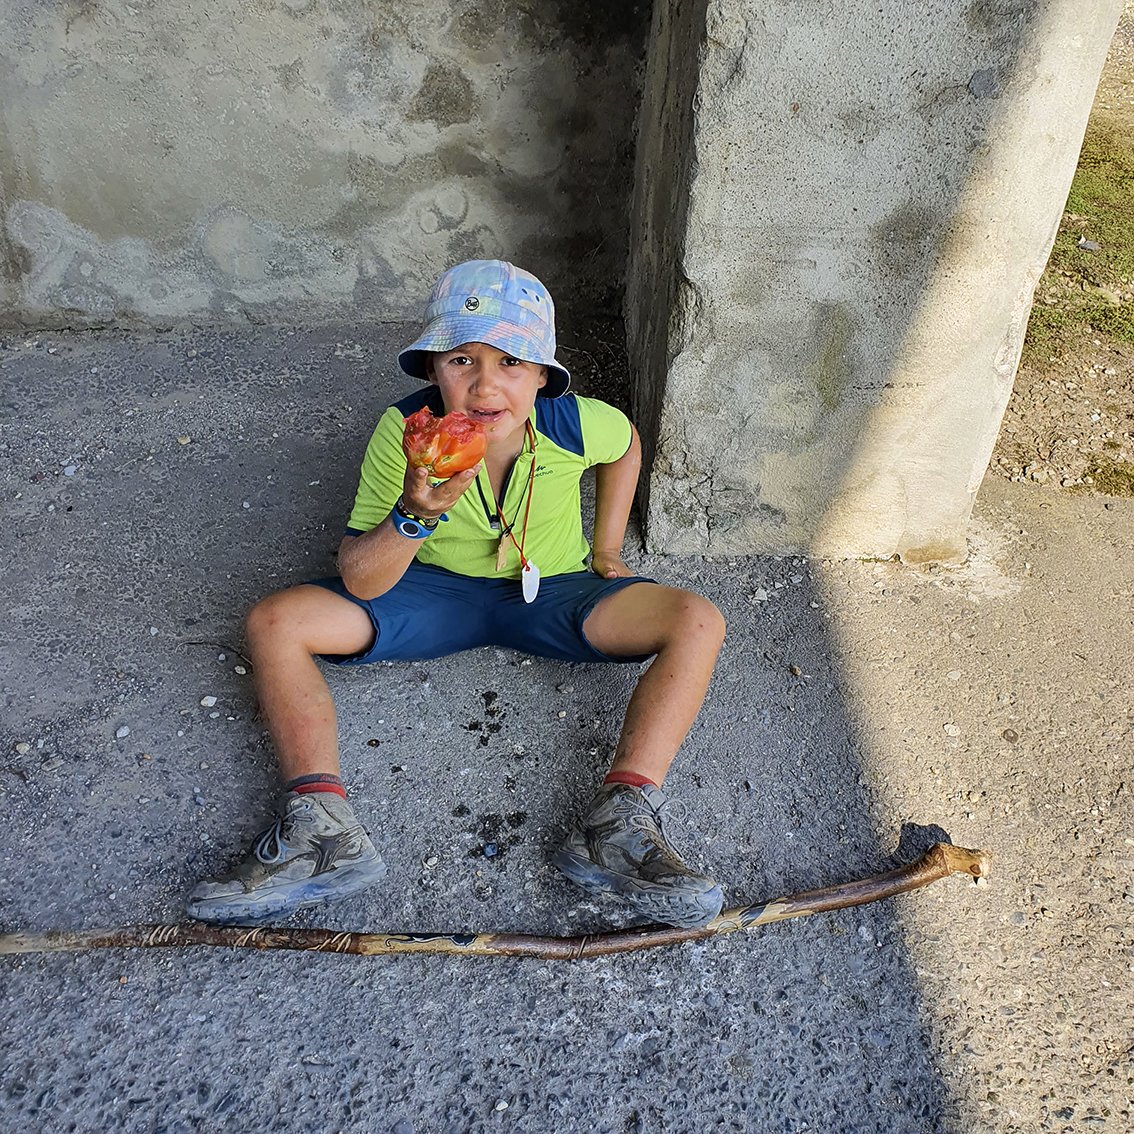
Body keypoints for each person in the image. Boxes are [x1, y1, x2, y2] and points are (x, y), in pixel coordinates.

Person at [186, 260, 726, 930]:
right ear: (433, 370)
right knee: (275, 622)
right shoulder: (407, 433)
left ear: (542, 378)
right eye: (462, 360)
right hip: (429, 593)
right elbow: (361, 577)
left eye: (511, 362)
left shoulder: (576, 424)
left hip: (552, 590)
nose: (484, 384)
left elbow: (627, 447)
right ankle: (322, 834)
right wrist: (416, 510)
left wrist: (606, 548)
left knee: (696, 620)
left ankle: (619, 824)